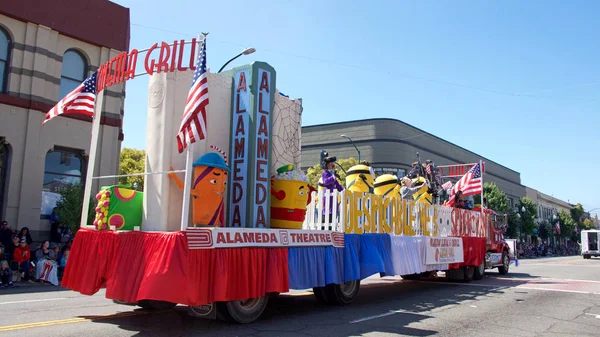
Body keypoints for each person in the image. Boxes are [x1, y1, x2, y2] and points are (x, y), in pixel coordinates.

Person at [319, 151, 344, 225]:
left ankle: (331, 226)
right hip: (328, 195)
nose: (332, 164)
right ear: (327, 164)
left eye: (332, 163)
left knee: (333, 213)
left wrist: (343, 190)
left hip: (333, 196)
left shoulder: (331, 173)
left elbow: (337, 184)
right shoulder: (325, 173)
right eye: (330, 163)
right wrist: (333, 177)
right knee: (327, 212)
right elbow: (326, 182)